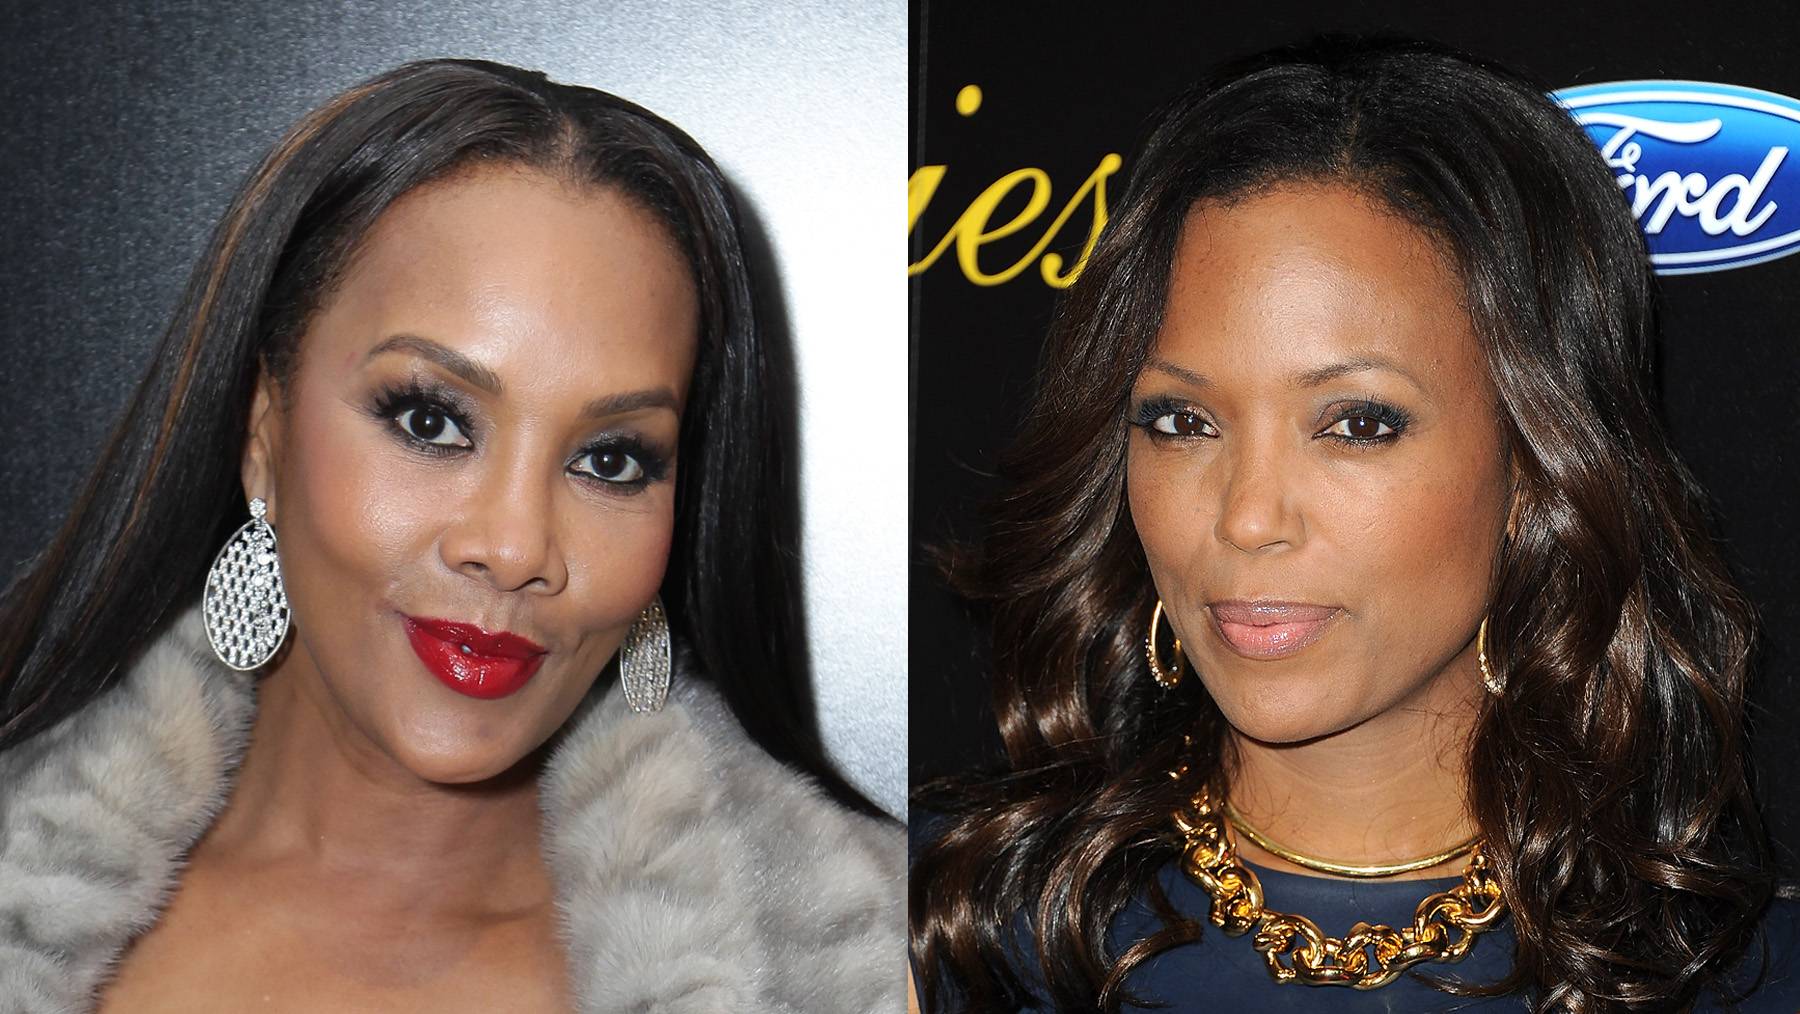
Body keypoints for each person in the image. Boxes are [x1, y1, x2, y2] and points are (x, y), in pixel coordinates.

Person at [909, 35, 1799, 1013]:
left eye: (1357, 425)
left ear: (1537, 462)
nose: (1248, 518)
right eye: (1183, 421)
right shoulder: (946, 928)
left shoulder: (1745, 976)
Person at [0, 59, 902, 1012]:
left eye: (609, 461)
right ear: (263, 429)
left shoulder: (882, 968)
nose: (513, 548)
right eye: (430, 421)